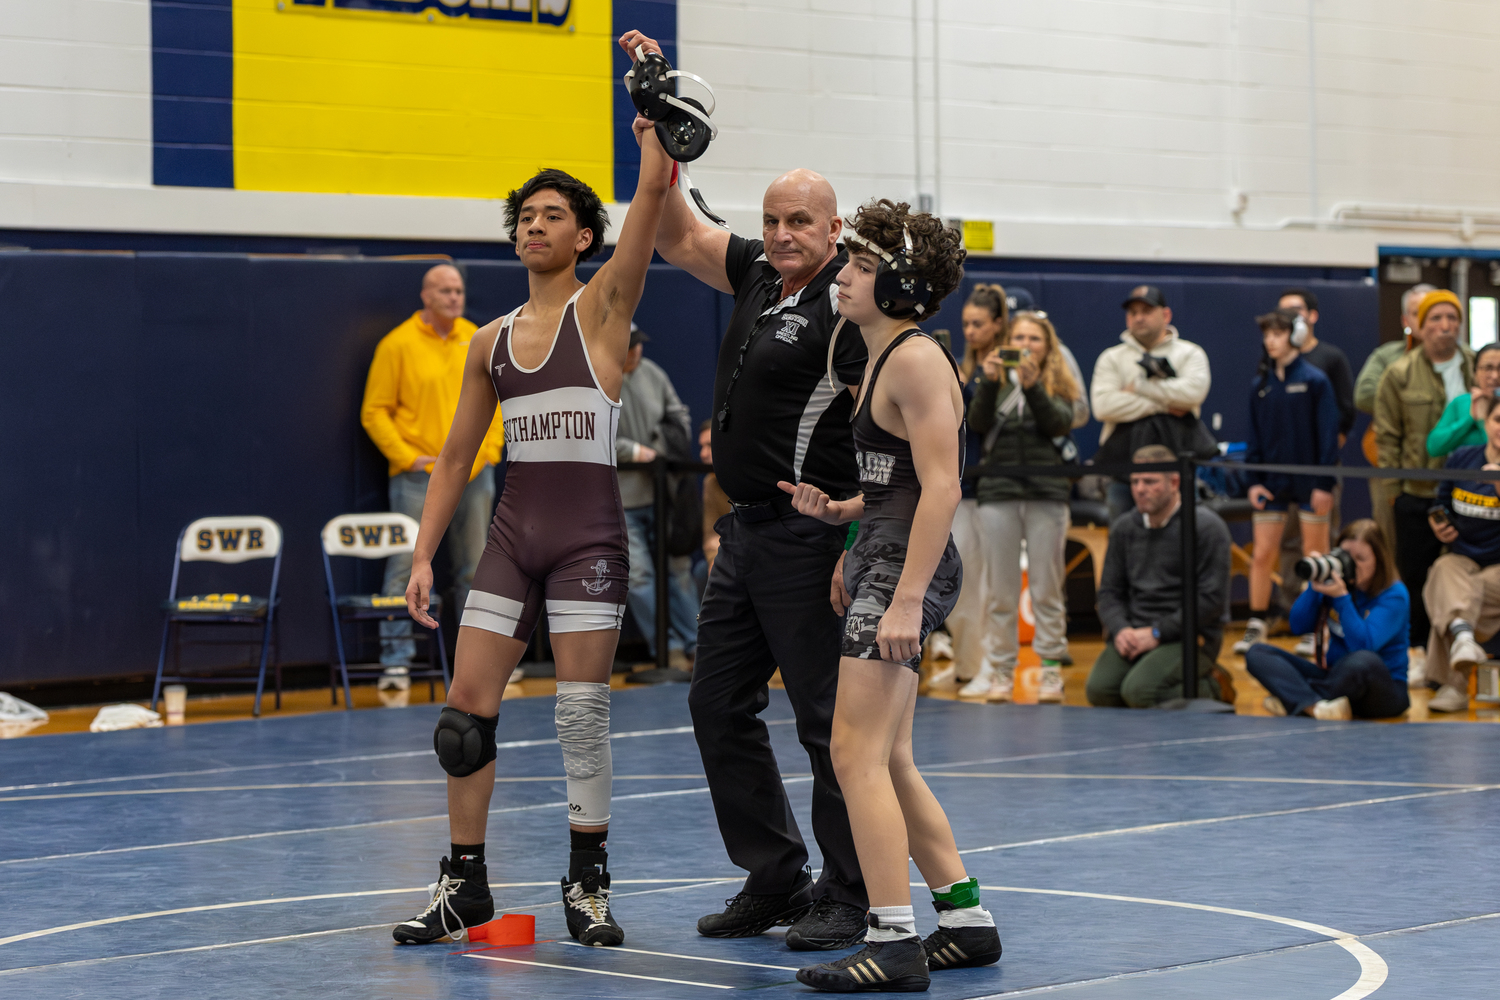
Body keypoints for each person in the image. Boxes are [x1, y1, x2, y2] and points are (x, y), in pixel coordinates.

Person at [390, 37, 674, 948]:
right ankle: (463, 885)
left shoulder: (604, 311)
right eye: (525, 217)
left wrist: (652, 120)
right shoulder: (490, 342)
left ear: (583, 236)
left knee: (580, 718)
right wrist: (425, 553)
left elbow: (653, 205)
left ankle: (586, 884)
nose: (534, 227)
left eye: (553, 216)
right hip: (512, 540)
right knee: (462, 726)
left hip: (587, 543)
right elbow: (451, 460)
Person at [632, 29, 869, 951]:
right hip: (745, 538)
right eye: (772, 220)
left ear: (834, 228)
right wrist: (655, 123)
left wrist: (857, 539)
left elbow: (885, 423)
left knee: (823, 722)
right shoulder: (758, 277)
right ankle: (775, 876)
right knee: (715, 703)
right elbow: (678, 228)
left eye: (799, 222)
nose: (780, 235)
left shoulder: (850, 306)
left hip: (812, 541)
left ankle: (848, 892)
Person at [781, 199, 1000, 993]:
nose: (844, 274)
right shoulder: (874, 352)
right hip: (885, 549)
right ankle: (965, 922)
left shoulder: (911, 359)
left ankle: (893, 939)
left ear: (901, 286)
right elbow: (897, 480)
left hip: (908, 564)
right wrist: (846, 520)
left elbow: (945, 485)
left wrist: (903, 598)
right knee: (890, 756)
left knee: (853, 754)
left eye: (864, 267)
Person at [360, 264, 505, 673]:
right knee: (405, 565)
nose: (454, 298)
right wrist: (408, 458)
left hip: (475, 477)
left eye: (458, 290)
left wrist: (488, 452)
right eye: (444, 291)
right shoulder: (397, 345)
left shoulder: (479, 338)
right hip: (417, 478)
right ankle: (396, 659)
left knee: (476, 569)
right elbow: (374, 412)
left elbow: (498, 404)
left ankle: (476, 663)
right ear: (425, 296)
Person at [965, 311, 1082, 703]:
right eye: (1019, 338)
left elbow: (1059, 423)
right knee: (1000, 588)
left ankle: (1050, 667)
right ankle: (1000, 667)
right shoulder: (994, 378)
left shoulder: (1056, 378)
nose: (1026, 345)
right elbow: (975, 424)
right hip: (998, 490)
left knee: (1048, 586)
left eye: (1035, 339)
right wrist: (988, 380)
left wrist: (1033, 387)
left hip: (1046, 491)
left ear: (1047, 345)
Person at [1086, 445, 1234, 709]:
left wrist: (1157, 633)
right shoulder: (1124, 528)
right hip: (1134, 632)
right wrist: (1120, 629)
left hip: (1189, 636)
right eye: (1135, 481)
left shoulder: (1207, 527)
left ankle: (1211, 686)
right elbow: (1109, 592)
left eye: (1150, 481)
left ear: (1175, 482)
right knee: (1100, 690)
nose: (1140, 489)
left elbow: (1211, 601)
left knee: (1139, 691)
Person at [1233, 310, 1340, 655]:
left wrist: (1325, 483)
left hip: (1312, 483)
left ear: (1294, 336)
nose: (1270, 341)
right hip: (1272, 483)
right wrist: (1253, 481)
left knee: (1315, 555)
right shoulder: (1260, 386)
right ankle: (1256, 622)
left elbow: (1327, 437)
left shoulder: (1315, 381)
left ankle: (1315, 626)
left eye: (1277, 334)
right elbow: (1254, 437)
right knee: (1262, 553)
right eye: (1267, 335)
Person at [1375, 289, 1474, 653]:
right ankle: (1417, 648)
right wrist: (1393, 491)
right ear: (1420, 325)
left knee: (1464, 572)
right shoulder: (1398, 374)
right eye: (1436, 318)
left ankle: (1462, 644)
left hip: (1472, 490)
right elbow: (1387, 439)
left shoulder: (1478, 366)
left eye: (1452, 318)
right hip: (1417, 493)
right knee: (1416, 575)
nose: (1445, 326)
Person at [1244, 520, 1410, 720]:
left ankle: (1297, 700)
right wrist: (1314, 587)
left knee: (1362, 661)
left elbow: (1364, 645)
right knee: (1258, 652)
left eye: (1360, 559)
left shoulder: (1394, 595)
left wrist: (1342, 599)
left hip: (1381, 690)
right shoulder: (1337, 582)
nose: (1352, 565)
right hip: (1335, 678)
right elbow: (1298, 625)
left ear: (1379, 560)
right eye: (1346, 557)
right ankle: (1315, 707)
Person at [1091, 286, 1212, 522]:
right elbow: (1103, 406)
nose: (1139, 317)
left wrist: (1139, 389)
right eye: (1133, 312)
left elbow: (1193, 395)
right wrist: (1167, 403)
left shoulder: (1190, 353)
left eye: (1146, 310)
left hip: (1180, 469)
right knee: (1123, 539)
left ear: (1166, 315)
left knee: (1185, 538)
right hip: (1123, 471)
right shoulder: (1111, 358)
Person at [616, 323, 699, 668]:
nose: (635, 351)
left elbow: (679, 415)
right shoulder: (596, 377)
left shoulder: (653, 373)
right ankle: (667, 649)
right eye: (629, 345)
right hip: (622, 500)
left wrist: (663, 446)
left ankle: (698, 644)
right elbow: (587, 434)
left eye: (638, 344)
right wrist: (636, 452)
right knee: (638, 578)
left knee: (677, 570)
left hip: (663, 495)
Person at [941, 283, 1006, 693]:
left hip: (994, 485)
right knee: (959, 580)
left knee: (991, 585)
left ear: (998, 325)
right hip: (962, 485)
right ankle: (967, 663)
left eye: (979, 324)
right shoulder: (963, 366)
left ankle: (990, 665)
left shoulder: (1004, 368)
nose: (971, 331)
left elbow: (982, 422)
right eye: (966, 323)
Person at [1422, 406, 1500, 713]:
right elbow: (1441, 500)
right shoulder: (1463, 458)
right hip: (1463, 557)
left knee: (1456, 596)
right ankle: (1463, 639)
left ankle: (1451, 684)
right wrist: (1438, 522)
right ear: (1486, 421)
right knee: (1442, 569)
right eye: (1497, 420)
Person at [1356, 283, 1435, 550]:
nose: (1424, 319)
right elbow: (1364, 394)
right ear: (1405, 320)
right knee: (1389, 540)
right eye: (1416, 312)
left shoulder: (1457, 358)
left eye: (1431, 311)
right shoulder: (1387, 355)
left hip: (1441, 464)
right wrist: (1412, 403)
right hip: (1390, 461)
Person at [1428, 343, 1500, 459]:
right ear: (1475, 372)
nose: (1495, 376)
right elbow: (1434, 447)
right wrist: (1470, 418)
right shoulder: (1461, 403)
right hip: (1464, 474)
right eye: (1488, 368)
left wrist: (1482, 422)